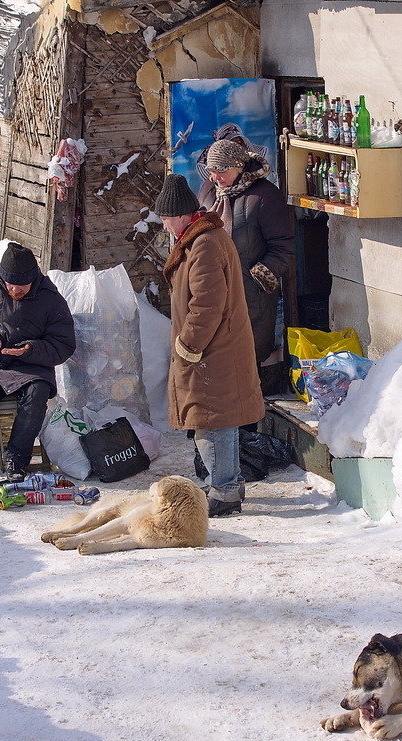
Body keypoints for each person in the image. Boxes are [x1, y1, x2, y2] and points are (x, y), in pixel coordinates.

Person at [156, 173, 264, 517]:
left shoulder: (203, 244)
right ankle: (226, 483)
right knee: (215, 419)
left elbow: (206, 303)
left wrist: (188, 344)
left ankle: (226, 490)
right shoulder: (202, 238)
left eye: (166, 218)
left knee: (214, 420)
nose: (164, 225)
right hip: (215, 348)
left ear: (183, 216)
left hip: (212, 350)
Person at [0, 242, 76, 481]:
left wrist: (31, 349)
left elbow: (64, 344)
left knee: (37, 393)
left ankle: (17, 457)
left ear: (34, 279)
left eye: (23, 286)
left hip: (31, 364)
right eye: (11, 285)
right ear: (1, 277)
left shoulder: (50, 298)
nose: (16, 291)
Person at [197, 138, 295, 396]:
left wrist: (260, 275)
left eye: (222, 171)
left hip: (252, 294)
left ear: (239, 166)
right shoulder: (209, 192)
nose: (216, 177)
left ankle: (253, 417)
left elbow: (284, 246)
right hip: (217, 291)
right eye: (212, 171)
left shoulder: (263, 196)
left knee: (251, 357)